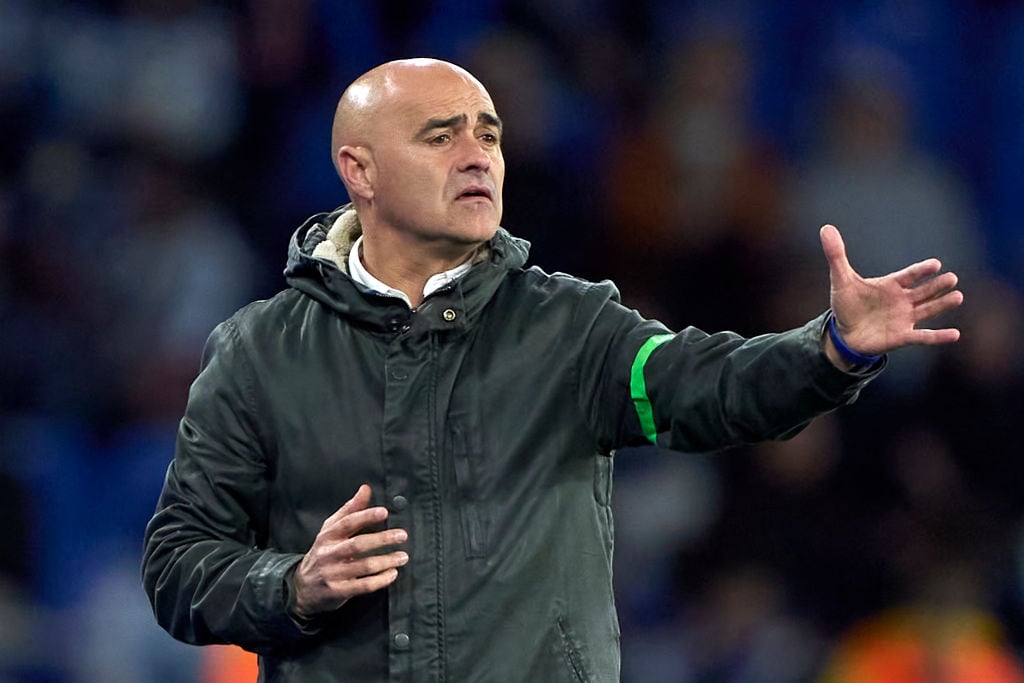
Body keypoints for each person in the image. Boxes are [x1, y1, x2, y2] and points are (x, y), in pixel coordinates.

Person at [142, 58, 963, 682]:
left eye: (489, 133)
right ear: (360, 171)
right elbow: (179, 565)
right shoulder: (259, 352)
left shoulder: (568, 326)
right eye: (442, 136)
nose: (478, 156)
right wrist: (293, 584)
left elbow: (706, 385)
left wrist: (831, 349)